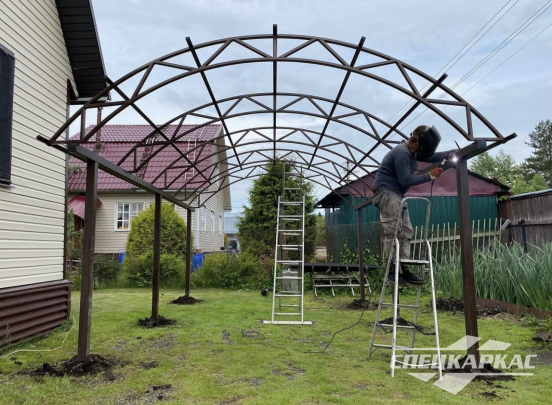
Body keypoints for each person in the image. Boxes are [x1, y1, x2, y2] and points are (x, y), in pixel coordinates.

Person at [372, 125, 453, 285]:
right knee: (393, 232)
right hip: (386, 193)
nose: (424, 151)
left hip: (396, 195)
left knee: (407, 232)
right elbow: (405, 180)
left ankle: (404, 270)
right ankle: (391, 272)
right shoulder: (402, 152)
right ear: (418, 142)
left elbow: (431, 157)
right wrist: (430, 175)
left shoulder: (412, 151)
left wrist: (451, 154)